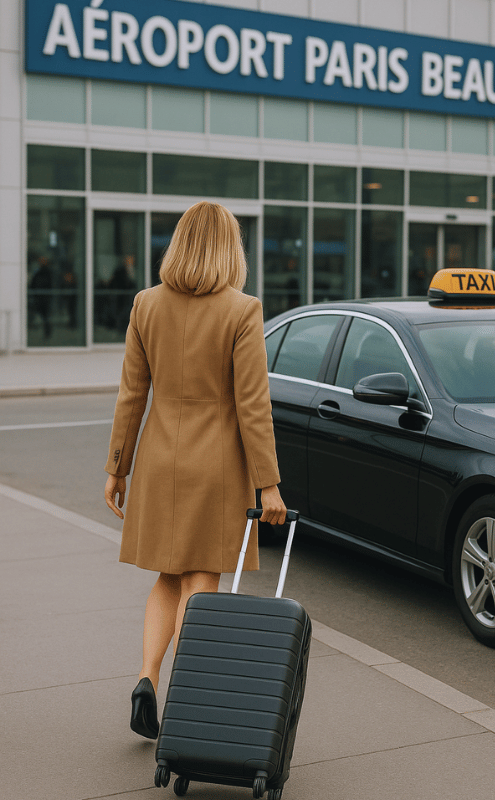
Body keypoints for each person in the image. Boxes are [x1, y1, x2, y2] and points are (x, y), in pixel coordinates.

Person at [103, 201, 286, 741]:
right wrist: (269, 483)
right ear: (230, 248)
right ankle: (188, 702)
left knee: (167, 575)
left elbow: (131, 395)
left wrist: (118, 467)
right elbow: (253, 405)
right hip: (216, 465)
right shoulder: (242, 310)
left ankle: (146, 678)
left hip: (160, 459)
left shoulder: (146, 305)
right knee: (202, 581)